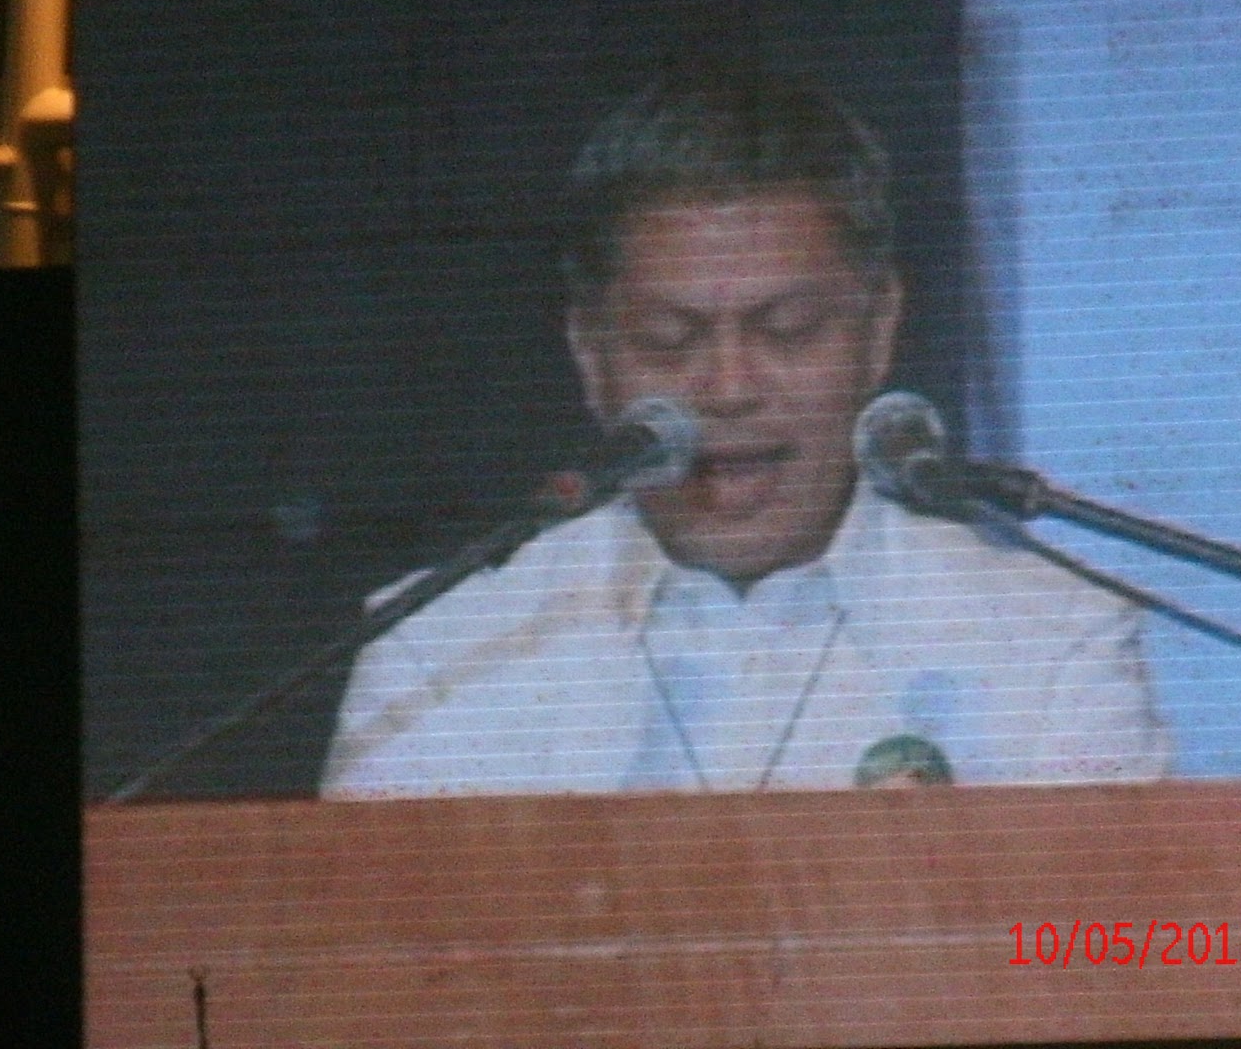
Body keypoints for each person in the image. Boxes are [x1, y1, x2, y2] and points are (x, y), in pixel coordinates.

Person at [321, 66, 1171, 797]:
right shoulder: (437, 652)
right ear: (589, 352)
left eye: (788, 329)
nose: (726, 390)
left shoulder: (1054, 642)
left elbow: (1090, 965)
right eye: (669, 339)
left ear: (879, 331)